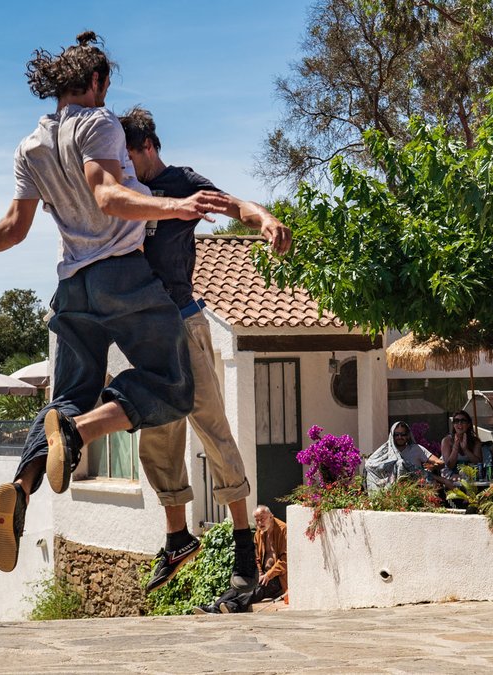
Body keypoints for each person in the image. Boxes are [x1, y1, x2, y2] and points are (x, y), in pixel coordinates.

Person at [0, 31, 232, 575]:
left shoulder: (30, 147)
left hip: (72, 288)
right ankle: (82, 432)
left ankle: (21, 487)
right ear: (95, 82)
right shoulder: (100, 123)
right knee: (172, 385)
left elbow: (14, 229)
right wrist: (175, 206)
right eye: (105, 85)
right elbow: (108, 195)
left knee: (66, 395)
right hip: (124, 279)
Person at [118, 106, 291, 593]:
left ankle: (243, 551)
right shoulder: (126, 192)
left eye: (131, 156)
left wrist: (266, 218)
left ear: (148, 146)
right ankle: (177, 537)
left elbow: (233, 205)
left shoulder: (180, 181)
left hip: (182, 321)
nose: (126, 168)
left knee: (211, 427)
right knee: (157, 434)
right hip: (144, 333)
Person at [193, 506, 288, 614]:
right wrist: (260, 574)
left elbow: (286, 559)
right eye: (257, 520)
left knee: (258, 588)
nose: (260, 522)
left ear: (271, 516)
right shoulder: (259, 533)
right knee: (244, 585)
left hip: (279, 579)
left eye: (262, 519)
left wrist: (268, 575)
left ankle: (233, 606)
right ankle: (214, 606)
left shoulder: (283, 529)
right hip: (264, 575)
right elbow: (256, 558)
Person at [365, 421, 445, 492]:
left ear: (408, 436)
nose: (399, 437)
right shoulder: (385, 452)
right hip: (393, 493)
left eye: (403, 434)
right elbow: (369, 465)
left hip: (416, 490)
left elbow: (441, 463)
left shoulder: (417, 449)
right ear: (392, 436)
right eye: (396, 434)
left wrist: (432, 467)